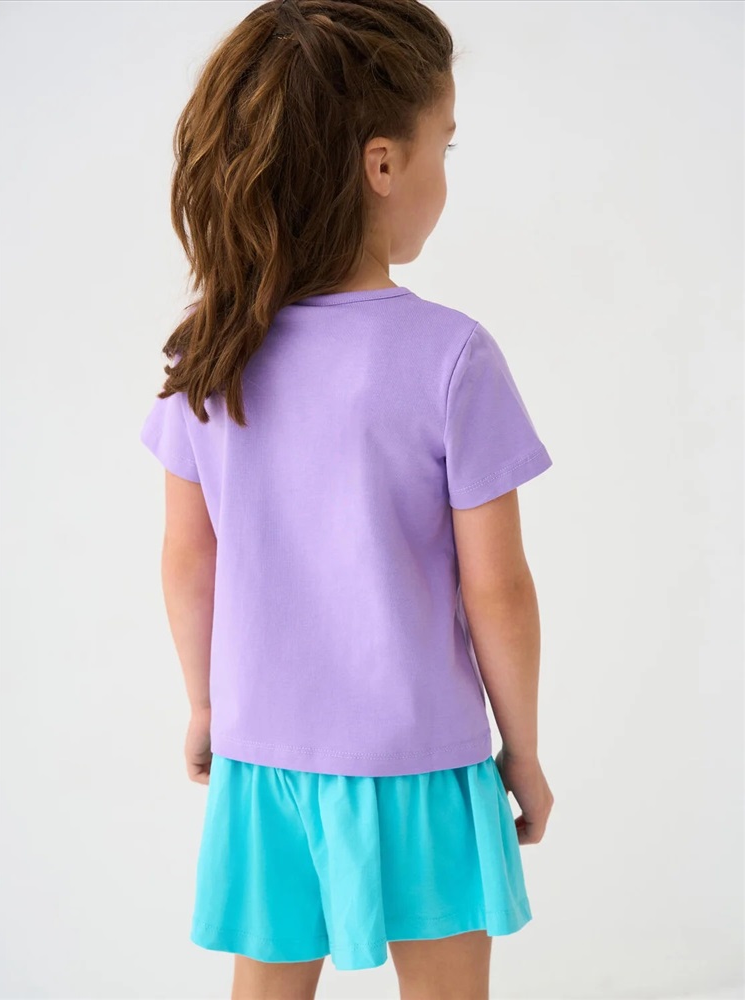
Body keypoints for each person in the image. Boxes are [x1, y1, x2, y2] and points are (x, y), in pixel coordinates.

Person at [139, 0, 555, 997]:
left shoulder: (211, 351)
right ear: (382, 164)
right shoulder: (452, 356)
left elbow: (189, 556)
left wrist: (205, 704)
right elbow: (497, 587)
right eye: (444, 143)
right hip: (425, 761)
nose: (445, 170)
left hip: (265, 759)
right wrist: (524, 751)